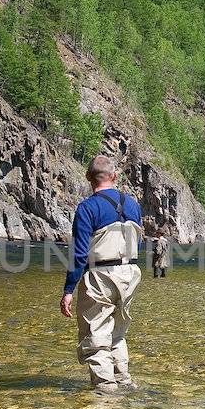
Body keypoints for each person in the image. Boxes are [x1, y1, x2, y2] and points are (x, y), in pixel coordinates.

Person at [60, 155, 143, 392]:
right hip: (131, 274)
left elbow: (78, 253)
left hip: (101, 275)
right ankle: (124, 381)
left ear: (88, 178)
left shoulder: (88, 207)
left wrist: (68, 290)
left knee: (96, 331)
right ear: (114, 176)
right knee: (118, 331)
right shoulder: (133, 205)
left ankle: (106, 389)